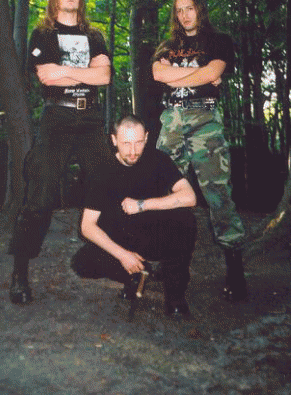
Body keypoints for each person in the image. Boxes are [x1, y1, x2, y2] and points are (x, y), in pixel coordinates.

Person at [8, 0, 112, 304]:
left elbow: (104, 76)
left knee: (110, 183)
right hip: (57, 118)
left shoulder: (94, 36)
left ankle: (119, 260)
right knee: (41, 193)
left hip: (90, 118)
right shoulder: (43, 34)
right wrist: (84, 72)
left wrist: (63, 70)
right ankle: (20, 271)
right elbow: (45, 76)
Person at [152, 0, 247, 302]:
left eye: (189, 8)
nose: (184, 15)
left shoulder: (218, 40)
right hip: (171, 122)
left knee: (217, 193)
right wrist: (199, 76)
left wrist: (178, 76)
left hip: (205, 120)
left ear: (199, 10)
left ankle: (235, 271)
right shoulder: (167, 45)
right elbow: (158, 73)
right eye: (179, 10)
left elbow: (213, 72)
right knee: (164, 191)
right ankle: (170, 263)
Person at [71, 115, 197, 318]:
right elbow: (87, 226)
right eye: (126, 143)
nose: (133, 151)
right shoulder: (101, 171)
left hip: (152, 232)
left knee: (185, 219)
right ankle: (135, 275)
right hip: (120, 236)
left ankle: (175, 295)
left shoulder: (158, 160)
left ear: (146, 137)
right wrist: (123, 255)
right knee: (82, 262)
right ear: (114, 140)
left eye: (138, 142)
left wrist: (142, 205)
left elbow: (190, 197)